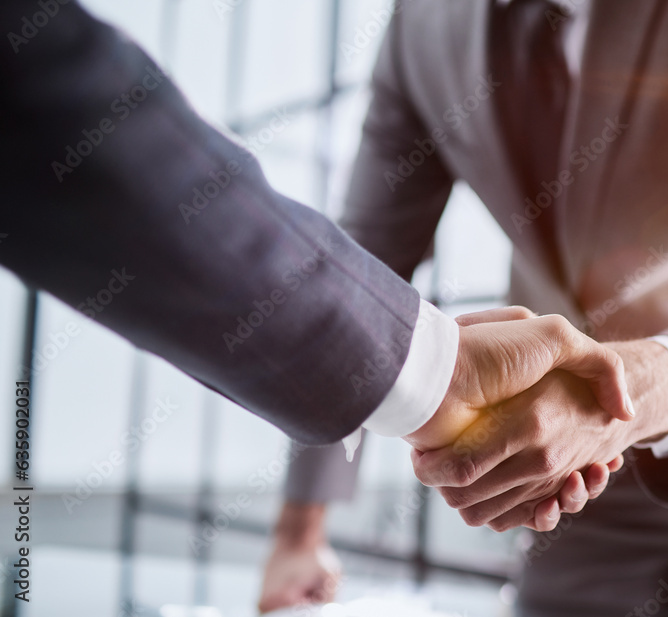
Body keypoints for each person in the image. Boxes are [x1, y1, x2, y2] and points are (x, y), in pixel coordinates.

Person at [261, 0, 668, 615]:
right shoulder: (423, 20)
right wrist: (299, 531)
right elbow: (364, 273)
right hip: (576, 481)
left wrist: (613, 400)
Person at [0, 0, 633, 535]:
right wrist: (303, 524)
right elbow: (374, 250)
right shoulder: (424, 26)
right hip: (561, 504)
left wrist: (650, 388)